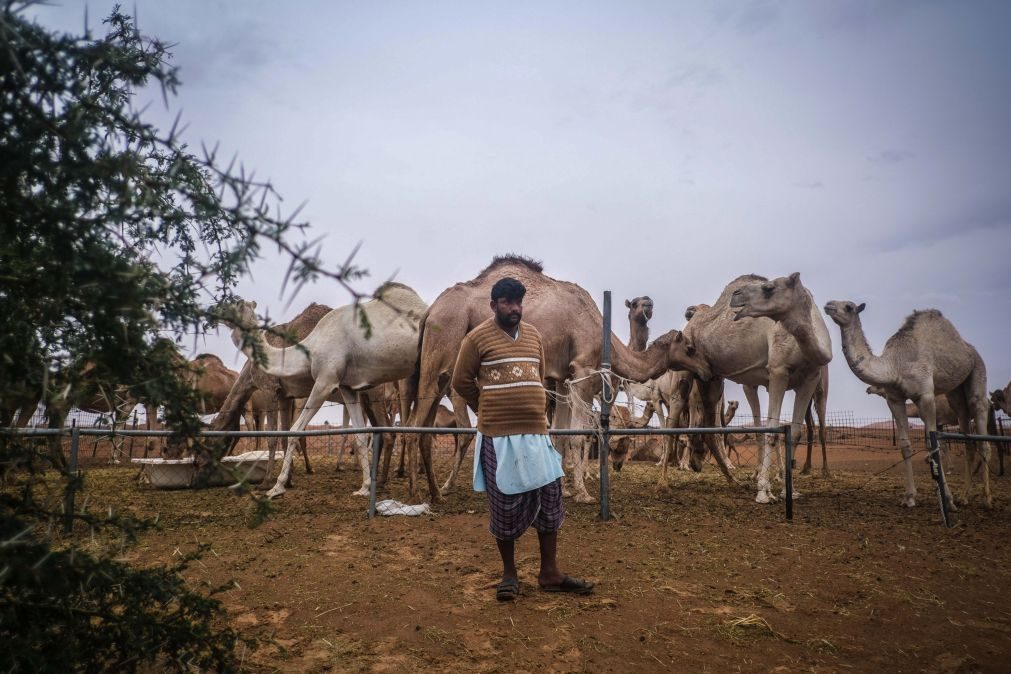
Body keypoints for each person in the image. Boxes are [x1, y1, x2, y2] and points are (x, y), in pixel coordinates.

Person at [452, 277, 594, 601]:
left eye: (518, 302)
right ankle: (509, 574)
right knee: (503, 504)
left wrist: (533, 405)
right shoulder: (476, 340)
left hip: (536, 432)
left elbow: (540, 376)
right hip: (498, 436)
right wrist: (486, 406)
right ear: (494, 305)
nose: (515, 308)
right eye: (507, 303)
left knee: (550, 498)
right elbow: (461, 381)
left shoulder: (534, 337)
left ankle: (550, 572)